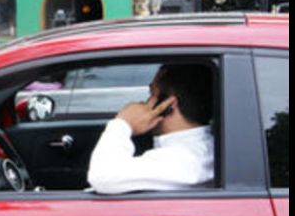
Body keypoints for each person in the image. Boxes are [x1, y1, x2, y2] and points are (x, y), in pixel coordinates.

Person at [87, 64, 214, 194]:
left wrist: (123, 123)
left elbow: (103, 177)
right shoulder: (203, 148)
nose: (144, 103)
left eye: (151, 94)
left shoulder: (183, 159)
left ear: (169, 105)